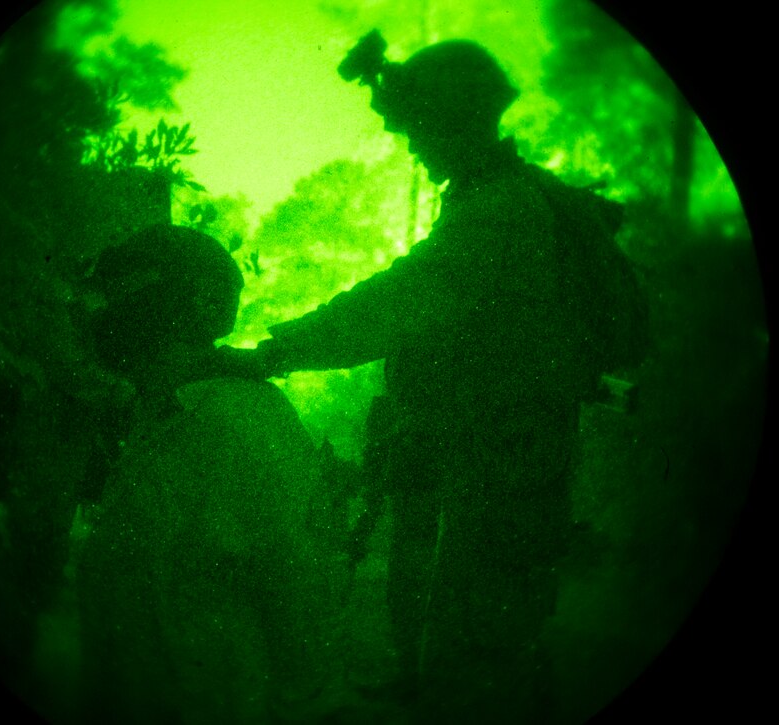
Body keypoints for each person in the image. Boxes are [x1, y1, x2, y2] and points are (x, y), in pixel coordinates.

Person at [216, 32, 647, 722]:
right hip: (505, 450)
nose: (412, 144)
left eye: (419, 127)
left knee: (476, 658)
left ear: (456, 120)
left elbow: (396, 302)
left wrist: (271, 353)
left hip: (511, 457)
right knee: (500, 643)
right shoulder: (500, 200)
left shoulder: (496, 212)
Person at [74, 224, 354, 724]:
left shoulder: (234, 421)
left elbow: (295, 589)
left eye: (111, 294)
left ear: (156, 305)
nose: (95, 312)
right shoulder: (157, 409)